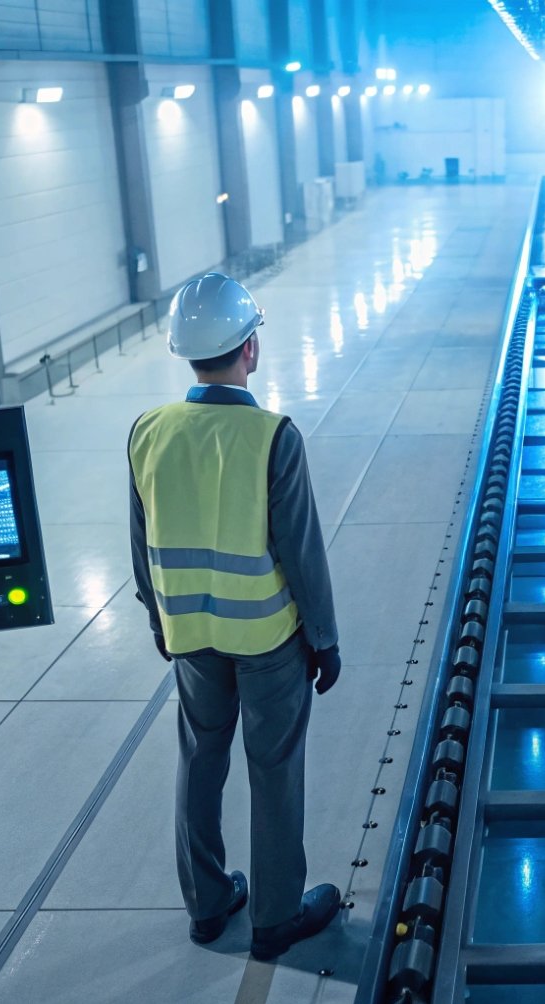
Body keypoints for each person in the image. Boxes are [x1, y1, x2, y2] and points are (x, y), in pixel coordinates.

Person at [128, 272, 342, 961]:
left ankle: (208, 902)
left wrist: (162, 625)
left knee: (199, 761)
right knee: (272, 768)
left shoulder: (148, 430)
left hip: (190, 637)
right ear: (249, 349)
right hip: (267, 638)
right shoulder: (271, 435)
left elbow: (140, 542)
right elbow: (301, 553)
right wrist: (326, 640)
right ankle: (276, 917)